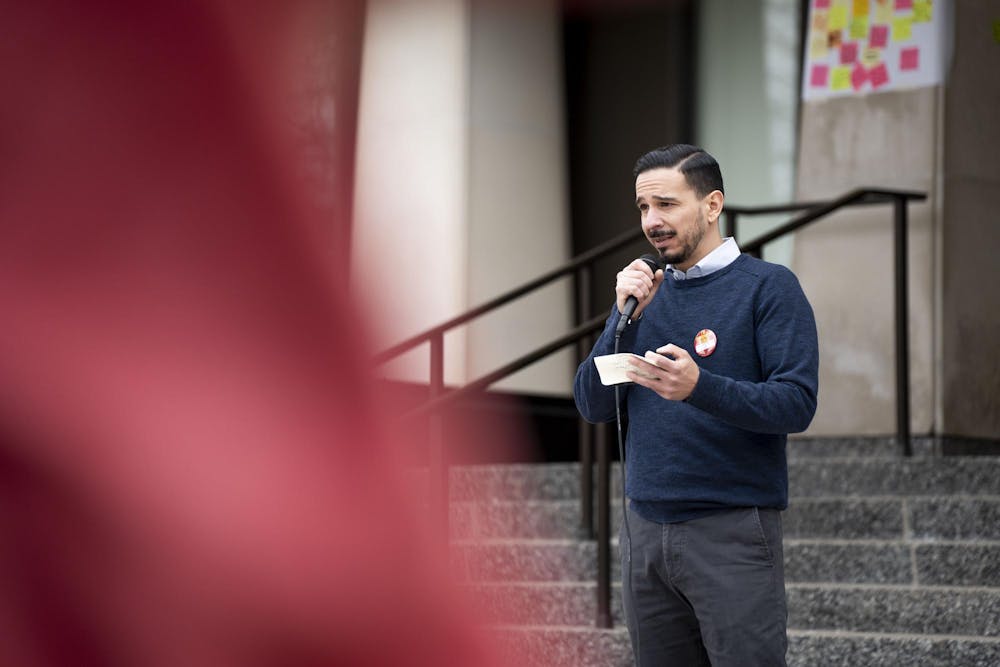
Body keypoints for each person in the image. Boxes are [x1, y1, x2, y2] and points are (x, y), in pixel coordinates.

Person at [573, 144, 819, 666]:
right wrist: (623, 318)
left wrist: (698, 387)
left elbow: (796, 403)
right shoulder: (643, 296)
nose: (651, 221)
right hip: (645, 532)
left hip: (731, 531)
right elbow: (592, 404)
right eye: (644, 207)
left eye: (666, 204)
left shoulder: (768, 287)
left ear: (712, 205)